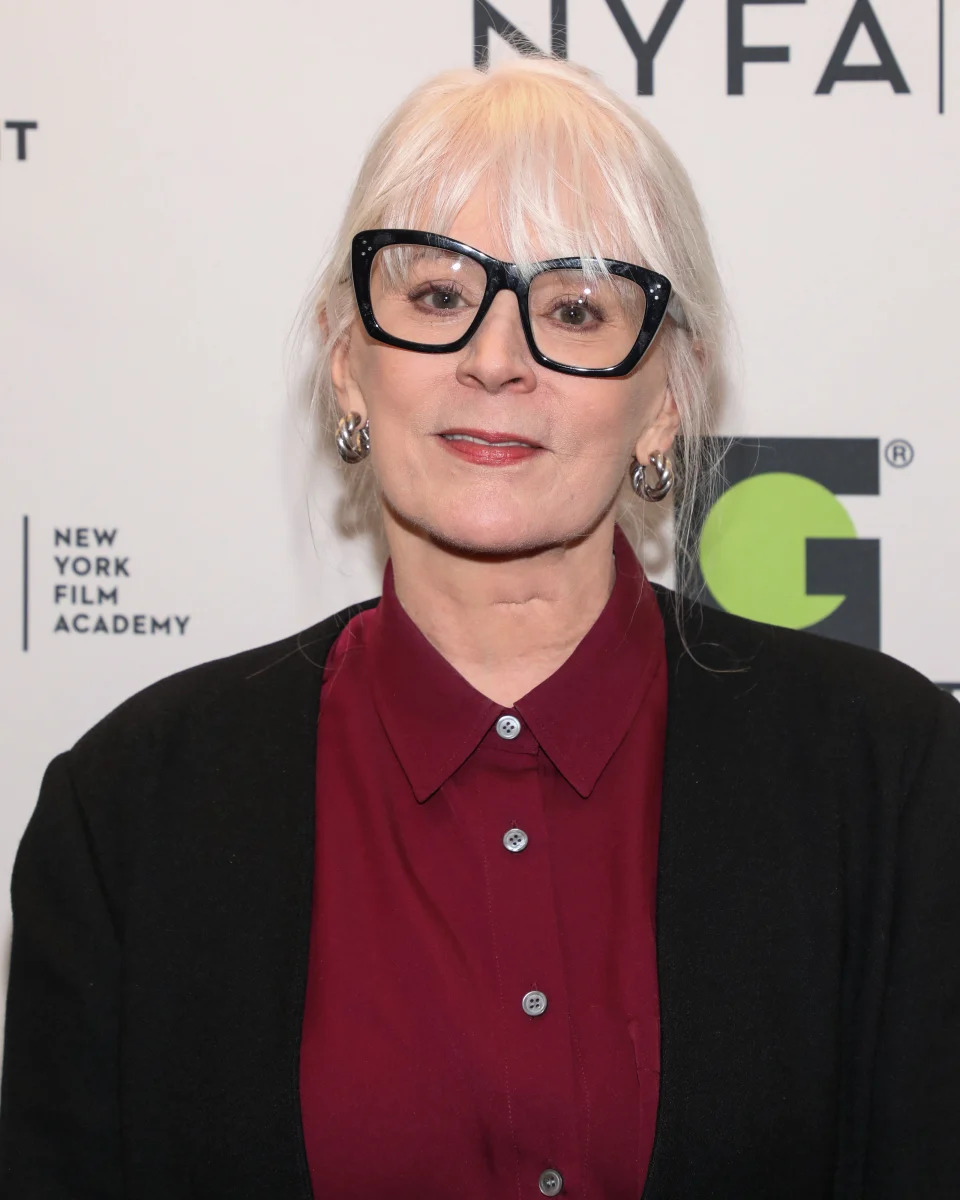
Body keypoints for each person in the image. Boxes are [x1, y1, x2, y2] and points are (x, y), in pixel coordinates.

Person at [1, 53, 957, 1200]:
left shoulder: (894, 782)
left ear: (666, 397)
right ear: (348, 363)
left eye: (575, 307)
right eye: (440, 296)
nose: (496, 361)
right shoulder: (126, 815)